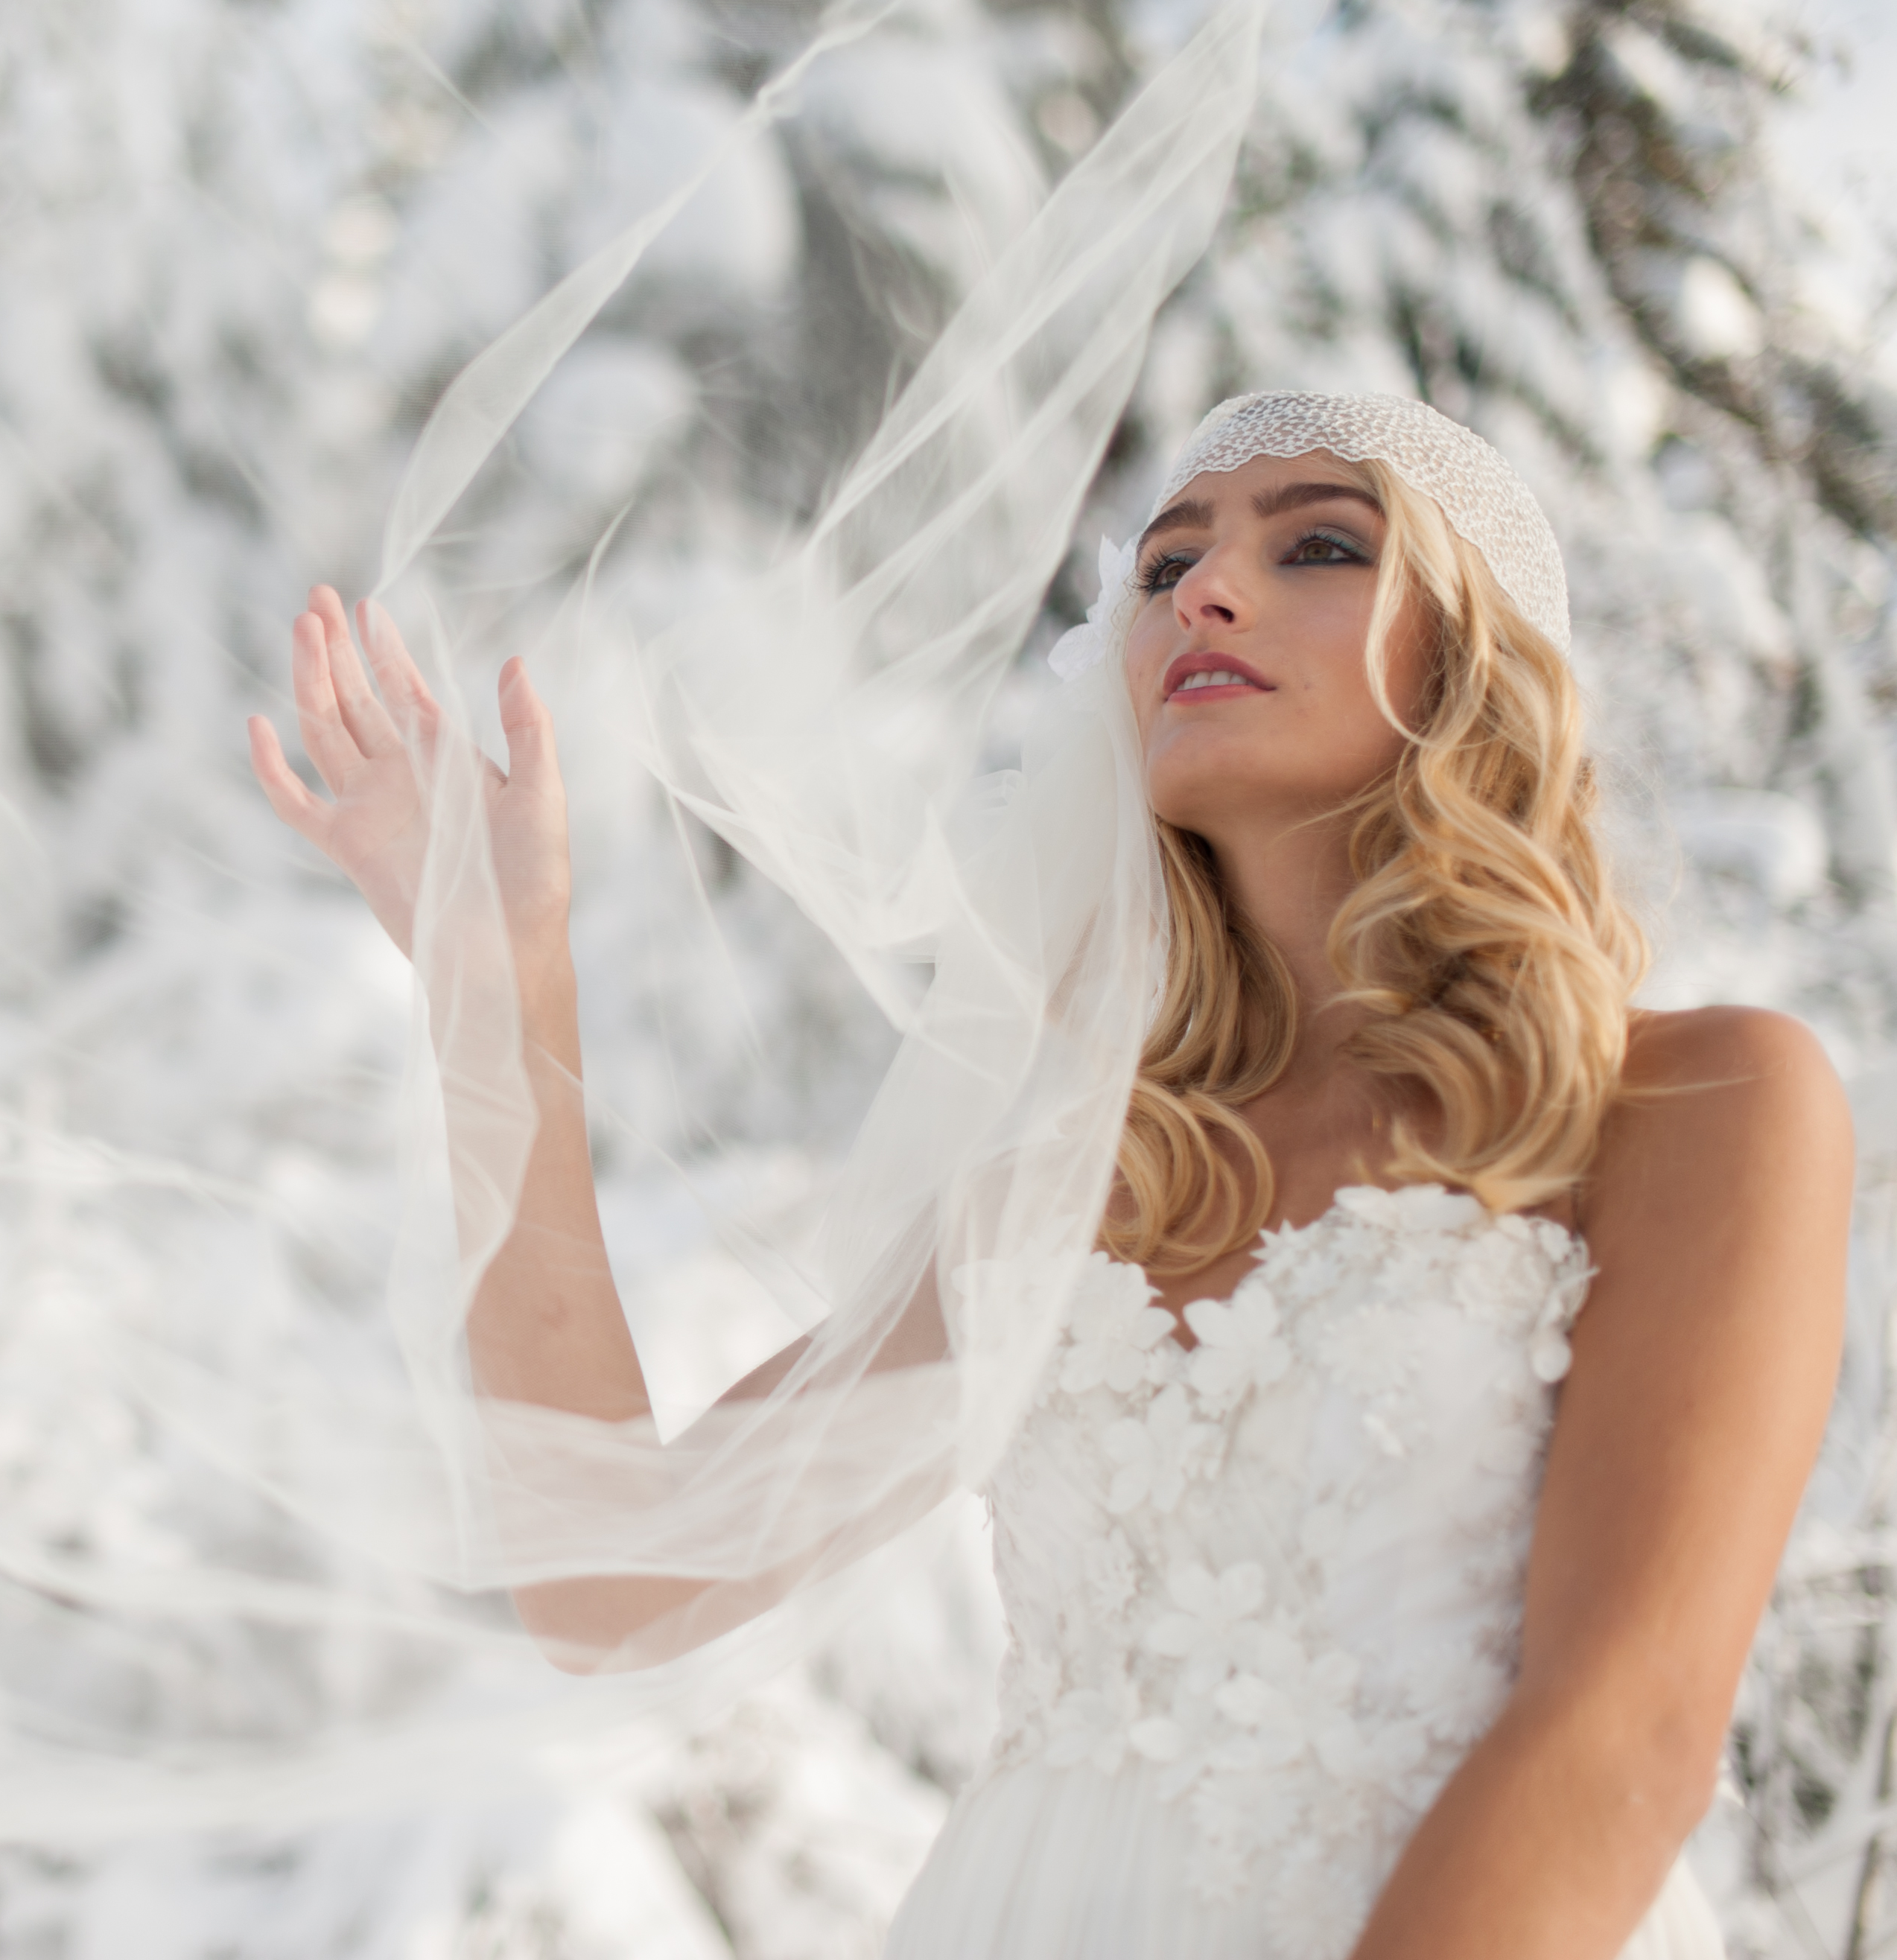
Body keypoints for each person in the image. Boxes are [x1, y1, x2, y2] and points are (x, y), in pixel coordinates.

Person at [247, 392, 1852, 1958]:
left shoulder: (1696, 1104)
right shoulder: (1090, 1183)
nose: (1204, 589)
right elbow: (614, 1575)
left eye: (1318, 547)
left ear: (1474, 659)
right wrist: (494, 982)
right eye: (1161, 567)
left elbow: (1623, 1728)